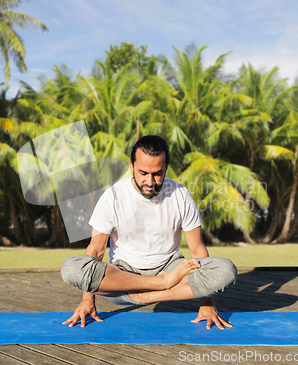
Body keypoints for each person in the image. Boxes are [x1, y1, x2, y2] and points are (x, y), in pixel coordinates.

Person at [61, 135, 237, 329]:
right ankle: (159, 285)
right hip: (124, 275)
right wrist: (88, 299)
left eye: (157, 173)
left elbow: (197, 251)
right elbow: (96, 250)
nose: (150, 181)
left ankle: (151, 289)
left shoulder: (180, 195)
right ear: (131, 165)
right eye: (143, 173)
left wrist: (207, 303)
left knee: (226, 270)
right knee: (71, 268)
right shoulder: (113, 196)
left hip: (170, 269)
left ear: (166, 168)